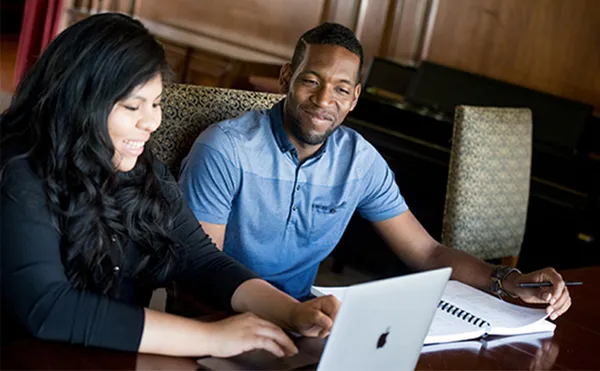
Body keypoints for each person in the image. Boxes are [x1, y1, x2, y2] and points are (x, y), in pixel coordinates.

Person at [0, 13, 340, 358]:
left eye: (157, 103)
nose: (151, 122)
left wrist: (291, 312)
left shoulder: (141, 168)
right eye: (133, 106)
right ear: (80, 101)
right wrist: (211, 338)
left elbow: (203, 261)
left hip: (109, 359)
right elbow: (48, 307)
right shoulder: (18, 169)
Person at [179, 22, 571, 318]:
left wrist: (510, 281)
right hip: (217, 314)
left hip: (302, 320)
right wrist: (289, 316)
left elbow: (428, 253)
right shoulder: (225, 148)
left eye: (341, 89)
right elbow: (205, 268)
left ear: (355, 98)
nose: (323, 100)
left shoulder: (360, 161)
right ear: (286, 78)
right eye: (310, 81)